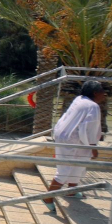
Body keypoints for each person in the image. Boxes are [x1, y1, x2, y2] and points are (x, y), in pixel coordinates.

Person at [44, 80, 106, 211]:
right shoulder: (92, 106)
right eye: (102, 91)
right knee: (64, 170)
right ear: (95, 93)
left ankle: (71, 190)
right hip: (73, 140)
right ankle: (48, 197)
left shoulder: (79, 99)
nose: (104, 94)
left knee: (79, 164)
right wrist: (93, 148)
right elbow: (90, 129)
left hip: (67, 136)